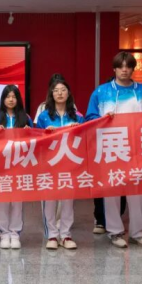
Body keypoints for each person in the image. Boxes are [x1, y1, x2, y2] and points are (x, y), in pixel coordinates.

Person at [85, 51, 142, 249]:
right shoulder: (101, 92)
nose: (124, 70)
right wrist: (102, 118)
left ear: (133, 69)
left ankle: (137, 233)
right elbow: (90, 117)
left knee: (138, 192)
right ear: (114, 69)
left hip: (138, 148)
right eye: (121, 66)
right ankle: (115, 231)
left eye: (128, 66)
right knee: (112, 191)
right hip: (112, 147)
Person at [36, 78, 82, 250]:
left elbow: (86, 138)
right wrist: (46, 133)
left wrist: (78, 130)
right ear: (51, 94)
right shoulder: (44, 116)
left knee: (68, 201)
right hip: (49, 164)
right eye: (56, 90)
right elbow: (36, 139)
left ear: (68, 93)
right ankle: (52, 235)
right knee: (50, 200)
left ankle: (66, 235)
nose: (60, 93)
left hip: (70, 164)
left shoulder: (77, 116)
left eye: (63, 90)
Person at [0, 85, 32, 249]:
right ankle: (4, 234)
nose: (11, 100)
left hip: (20, 165)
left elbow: (35, 141)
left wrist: (29, 131)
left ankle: (15, 233)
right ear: (3, 99)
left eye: (14, 96)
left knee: (17, 201)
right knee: (3, 201)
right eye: (8, 96)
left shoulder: (25, 118)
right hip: (1, 166)